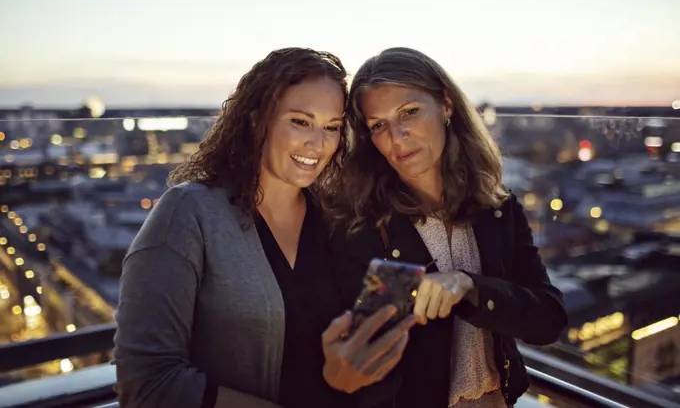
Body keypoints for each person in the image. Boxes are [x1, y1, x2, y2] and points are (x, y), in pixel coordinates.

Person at [113, 47, 416, 408]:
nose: (318, 144)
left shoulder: (337, 219)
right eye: (300, 121)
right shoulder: (189, 213)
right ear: (259, 119)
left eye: (332, 128)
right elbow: (146, 382)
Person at [324, 47, 567, 408]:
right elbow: (366, 353)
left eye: (409, 112)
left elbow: (548, 319)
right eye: (378, 125)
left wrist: (469, 287)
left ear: (447, 106)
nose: (397, 135)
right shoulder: (364, 227)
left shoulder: (496, 209)